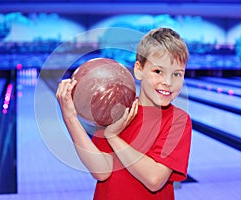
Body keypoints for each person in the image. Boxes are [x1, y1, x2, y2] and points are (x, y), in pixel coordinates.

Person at [56, 27, 192, 200]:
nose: (167, 82)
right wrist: (70, 117)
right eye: (158, 71)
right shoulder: (114, 107)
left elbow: (154, 179)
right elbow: (101, 171)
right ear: (139, 69)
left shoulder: (178, 120)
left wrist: (113, 137)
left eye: (177, 74)